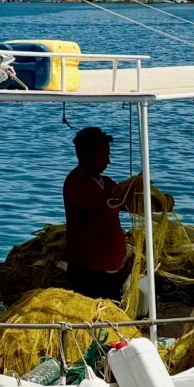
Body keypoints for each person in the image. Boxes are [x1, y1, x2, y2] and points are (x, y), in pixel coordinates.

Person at [62, 127, 150, 302]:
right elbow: (103, 205)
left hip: (111, 268)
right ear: (86, 156)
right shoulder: (76, 184)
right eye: (103, 156)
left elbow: (127, 204)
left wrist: (156, 200)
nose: (108, 161)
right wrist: (125, 189)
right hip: (87, 271)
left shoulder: (105, 182)